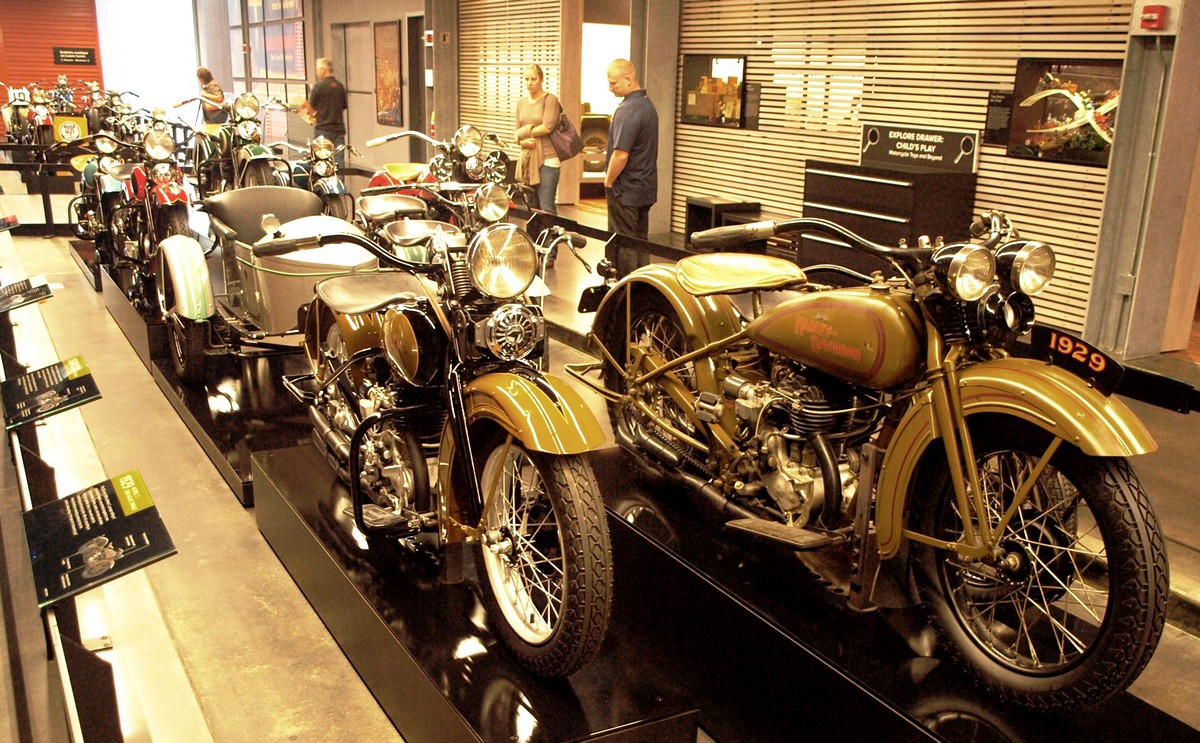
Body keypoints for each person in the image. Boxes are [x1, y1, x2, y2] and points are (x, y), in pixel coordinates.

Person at [604, 58, 658, 240]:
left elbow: (620, 155)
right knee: (640, 242)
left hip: (625, 191)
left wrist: (608, 182)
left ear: (628, 79)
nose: (610, 88)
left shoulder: (627, 110)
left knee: (622, 245)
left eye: (613, 83)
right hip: (645, 188)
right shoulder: (648, 105)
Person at [514, 64, 562, 265]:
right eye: (526, 79)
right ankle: (533, 250)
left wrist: (523, 133)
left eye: (533, 79)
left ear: (541, 79)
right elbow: (517, 133)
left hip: (548, 160)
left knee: (546, 206)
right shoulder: (521, 103)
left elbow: (548, 126)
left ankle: (551, 252)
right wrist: (522, 140)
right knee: (531, 207)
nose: (529, 83)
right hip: (527, 159)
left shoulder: (550, 100)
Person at [300, 58, 348, 169]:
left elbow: (312, 108)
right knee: (339, 159)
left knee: (320, 159)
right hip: (339, 129)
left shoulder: (318, 87)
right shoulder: (340, 86)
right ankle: (339, 179)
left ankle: (322, 179)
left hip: (323, 129)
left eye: (318, 70)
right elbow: (343, 106)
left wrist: (306, 107)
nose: (317, 72)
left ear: (323, 70)